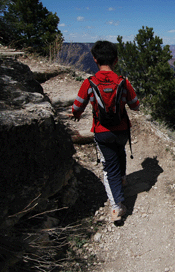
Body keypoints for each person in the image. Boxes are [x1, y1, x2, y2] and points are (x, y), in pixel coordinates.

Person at [70, 40, 139, 222]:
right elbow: (135, 105)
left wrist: (76, 115)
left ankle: (117, 207)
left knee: (109, 167)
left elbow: (77, 106)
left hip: (102, 131)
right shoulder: (123, 82)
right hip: (122, 129)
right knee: (120, 150)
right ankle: (122, 179)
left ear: (95, 59)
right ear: (115, 60)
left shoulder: (89, 82)